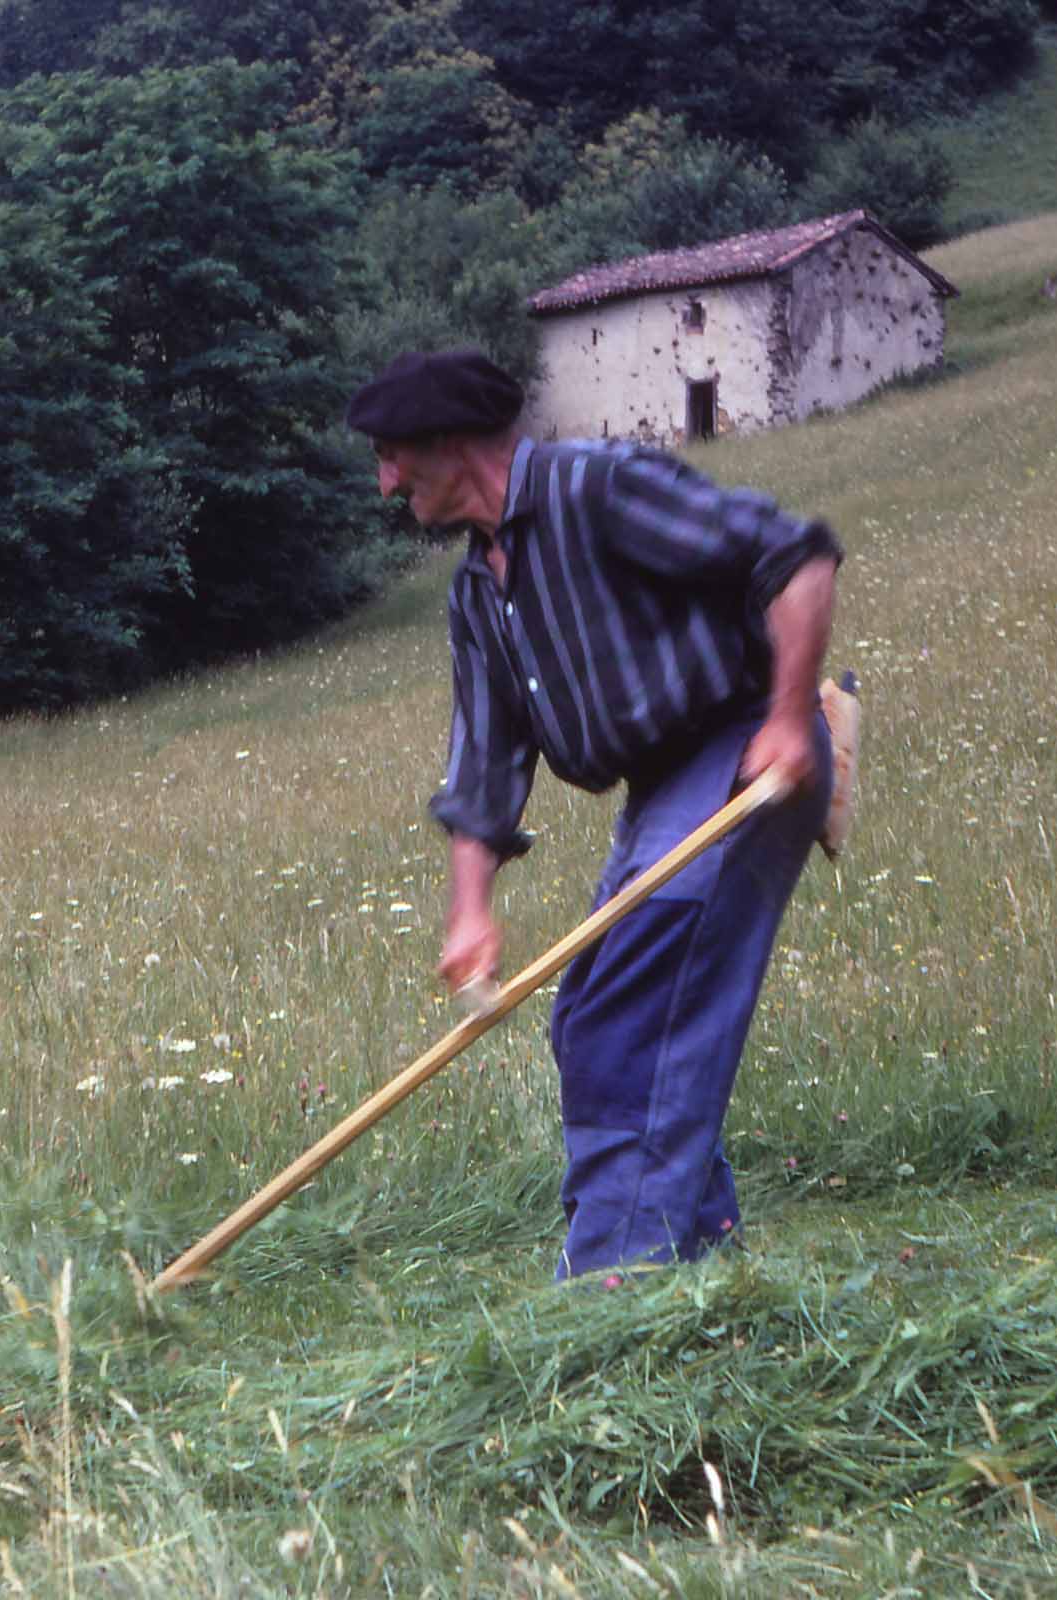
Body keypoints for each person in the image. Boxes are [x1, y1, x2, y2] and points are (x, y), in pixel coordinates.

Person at [346, 348, 848, 1280]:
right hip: (662, 786)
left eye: (391, 456)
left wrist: (790, 717)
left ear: (450, 444)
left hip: (744, 746)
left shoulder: (598, 489)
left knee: (629, 1013)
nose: (383, 483)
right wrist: (470, 910)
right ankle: (705, 1269)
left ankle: (617, 1285)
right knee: (586, 1020)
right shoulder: (476, 590)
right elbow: (484, 759)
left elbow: (797, 555)